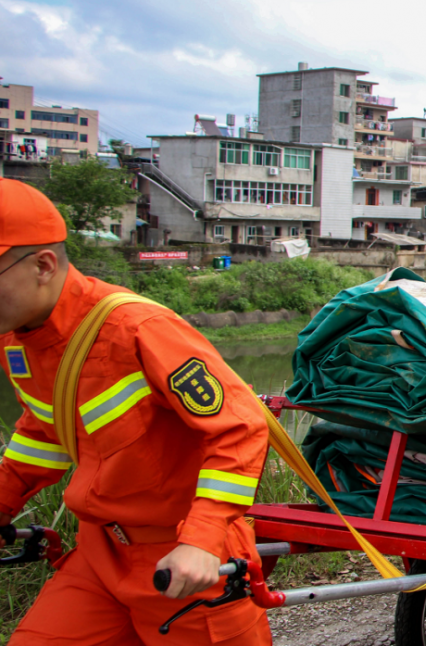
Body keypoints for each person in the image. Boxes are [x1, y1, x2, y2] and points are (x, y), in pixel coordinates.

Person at [0, 178, 272, 644]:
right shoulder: (19, 340)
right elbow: (44, 433)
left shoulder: (138, 329)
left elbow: (241, 428)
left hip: (183, 561)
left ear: (43, 265)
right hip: (100, 554)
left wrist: (201, 540)